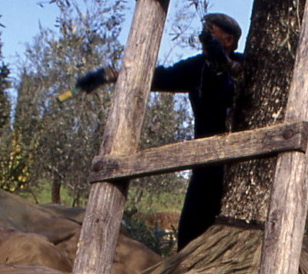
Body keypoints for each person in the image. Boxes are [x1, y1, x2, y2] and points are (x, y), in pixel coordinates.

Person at [75, 14, 244, 250]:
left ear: (228, 40)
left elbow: (239, 77)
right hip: (205, 160)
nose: (204, 37)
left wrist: (224, 65)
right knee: (191, 231)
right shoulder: (197, 68)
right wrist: (111, 76)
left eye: (211, 33)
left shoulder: (244, 64)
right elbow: (159, 77)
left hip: (239, 160)